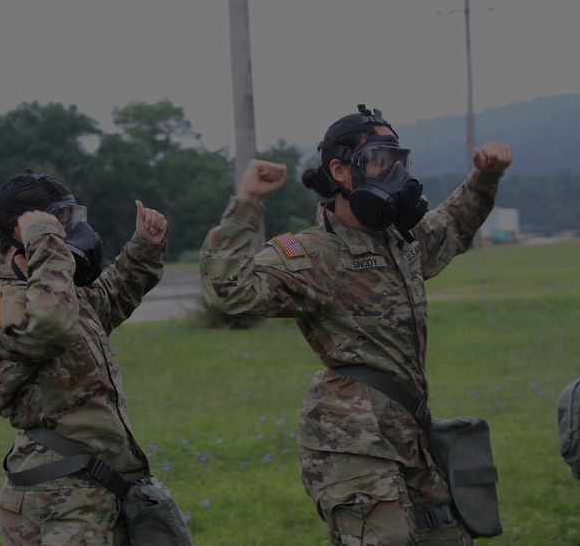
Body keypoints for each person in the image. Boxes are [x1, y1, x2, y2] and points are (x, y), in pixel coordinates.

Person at [199, 104, 512, 545]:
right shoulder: (313, 252)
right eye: (377, 161)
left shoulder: (401, 241)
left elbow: (454, 227)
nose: (392, 173)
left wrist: (485, 176)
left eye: (396, 161)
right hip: (349, 440)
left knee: (447, 535)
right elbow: (228, 288)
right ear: (341, 171)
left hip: (408, 430)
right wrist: (248, 202)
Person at [0, 169, 189, 545]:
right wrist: (47, 246)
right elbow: (53, 326)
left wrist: (144, 247)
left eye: (69, 221)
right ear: (24, 233)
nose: (69, 234)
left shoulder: (60, 296)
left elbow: (108, 299)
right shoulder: (8, 303)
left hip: (95, 487)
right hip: (56, 496)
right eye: (58, 223)